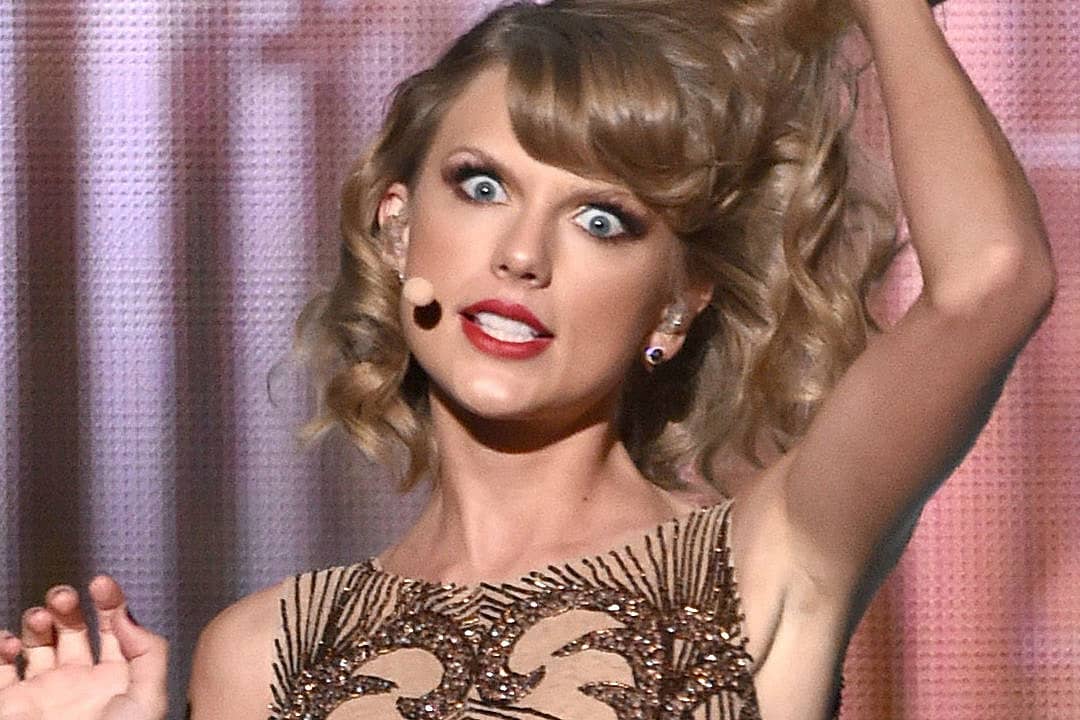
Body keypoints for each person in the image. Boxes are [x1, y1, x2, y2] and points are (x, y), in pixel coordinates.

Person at [0, 0, 1056, 718]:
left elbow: (992, 280)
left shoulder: (770, 561)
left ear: (677, 303)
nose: (522, 254)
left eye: (601, 220)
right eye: (483, 185)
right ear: (398, 228)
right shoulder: (260, 653)